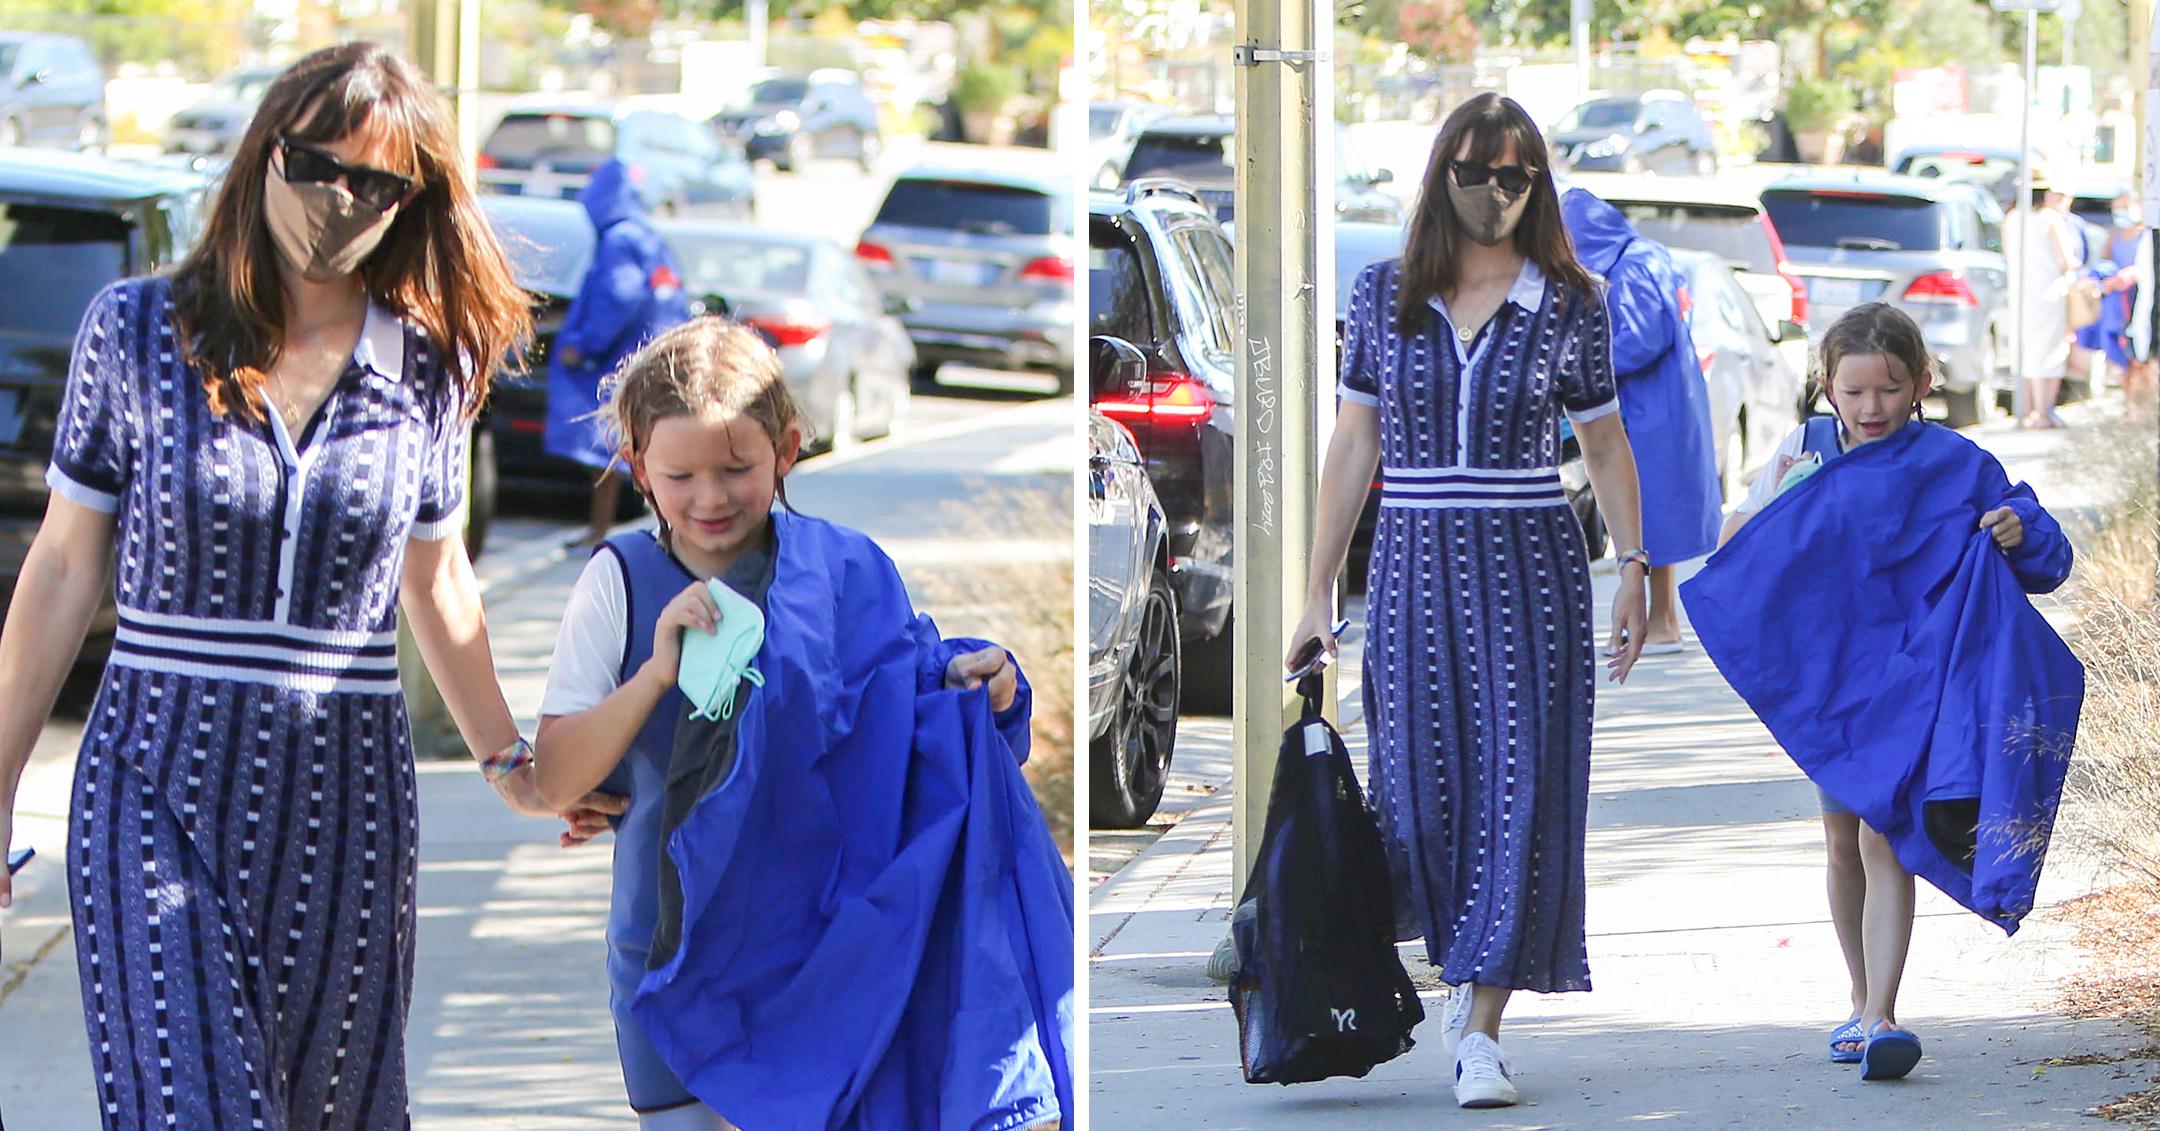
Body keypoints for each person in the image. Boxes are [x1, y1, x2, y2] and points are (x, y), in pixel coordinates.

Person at [0, 43, 619, 1127]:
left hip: (346, 801)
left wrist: (510, 761)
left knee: (323, 1111)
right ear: (264, 154)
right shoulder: (138, 332)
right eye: (316, 164)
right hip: (154, 774)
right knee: (191, 1103)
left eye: (374, 182)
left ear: (409, 202)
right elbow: (59, 568)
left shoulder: (427, 365)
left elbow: (437, 578)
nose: (338, 199)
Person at [531, 318, 1073, 1129]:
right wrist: (656, 674)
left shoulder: (847, 569)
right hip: (671, 958)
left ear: (786, 450)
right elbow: (556, 778)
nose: (710, 497)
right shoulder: (619, 582)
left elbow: (906, 720)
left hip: (823, 963)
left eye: (736, 467)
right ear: (640, 468)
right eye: (680, 474)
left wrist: (972, 686)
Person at [1290, 93, 1648, 1111]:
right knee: (1421, 790)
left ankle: (1484, 1025)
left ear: (1537, 184)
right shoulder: (1386, 292)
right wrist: (1318, 589)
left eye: (1517, 174)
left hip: (1530, 563)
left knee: (1522, 790)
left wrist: (1634, 564)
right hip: (1411, 567)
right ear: (1440, 173)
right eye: (1476, 171)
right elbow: (1355, 442)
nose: (1496, 192)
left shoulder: (1571, 300)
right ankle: (1456, 972)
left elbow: (1606, 441)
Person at [1691, 302, 2079, 1082]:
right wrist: (1784, 498)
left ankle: (1883, 1015)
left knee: (1883, 835)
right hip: (1837, 682)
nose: (1873, 408)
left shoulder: (1958, 464)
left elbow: (2048, 558)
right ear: (1827, 387)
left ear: (1922, 383)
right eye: (1856, 391)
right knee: (1841, 841)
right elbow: (1734, 543)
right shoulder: (1802, 450)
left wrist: (2017, 528)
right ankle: (1859, 993)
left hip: (1921, 679)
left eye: (1891, 389)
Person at [1559, 188, 1721, 652]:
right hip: (1661, 403)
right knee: (1653, 516)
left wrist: (1581, 362)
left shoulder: (1634, 266)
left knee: (1649, 515)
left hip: (1652, 409)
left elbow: (1642, 337)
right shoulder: (1642, 258)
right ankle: (1660, 619)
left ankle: (1662, 621)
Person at [545, 158, 692, 546]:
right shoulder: (646, 236)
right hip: (653, 355)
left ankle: (605, 530)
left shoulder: (621, 241)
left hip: (619, 360)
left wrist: (584, 344)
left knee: (609, 442)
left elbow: (616, 297)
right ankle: (613, 528)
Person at [2013, 177, 2080, 428]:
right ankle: (2043, 411)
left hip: (2021, 294)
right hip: (2050, 293)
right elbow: (2066, 261)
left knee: (2028, 350)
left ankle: (2028, 409)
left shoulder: (2013, 219)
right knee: (2050, 351)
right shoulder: (2051, 220)